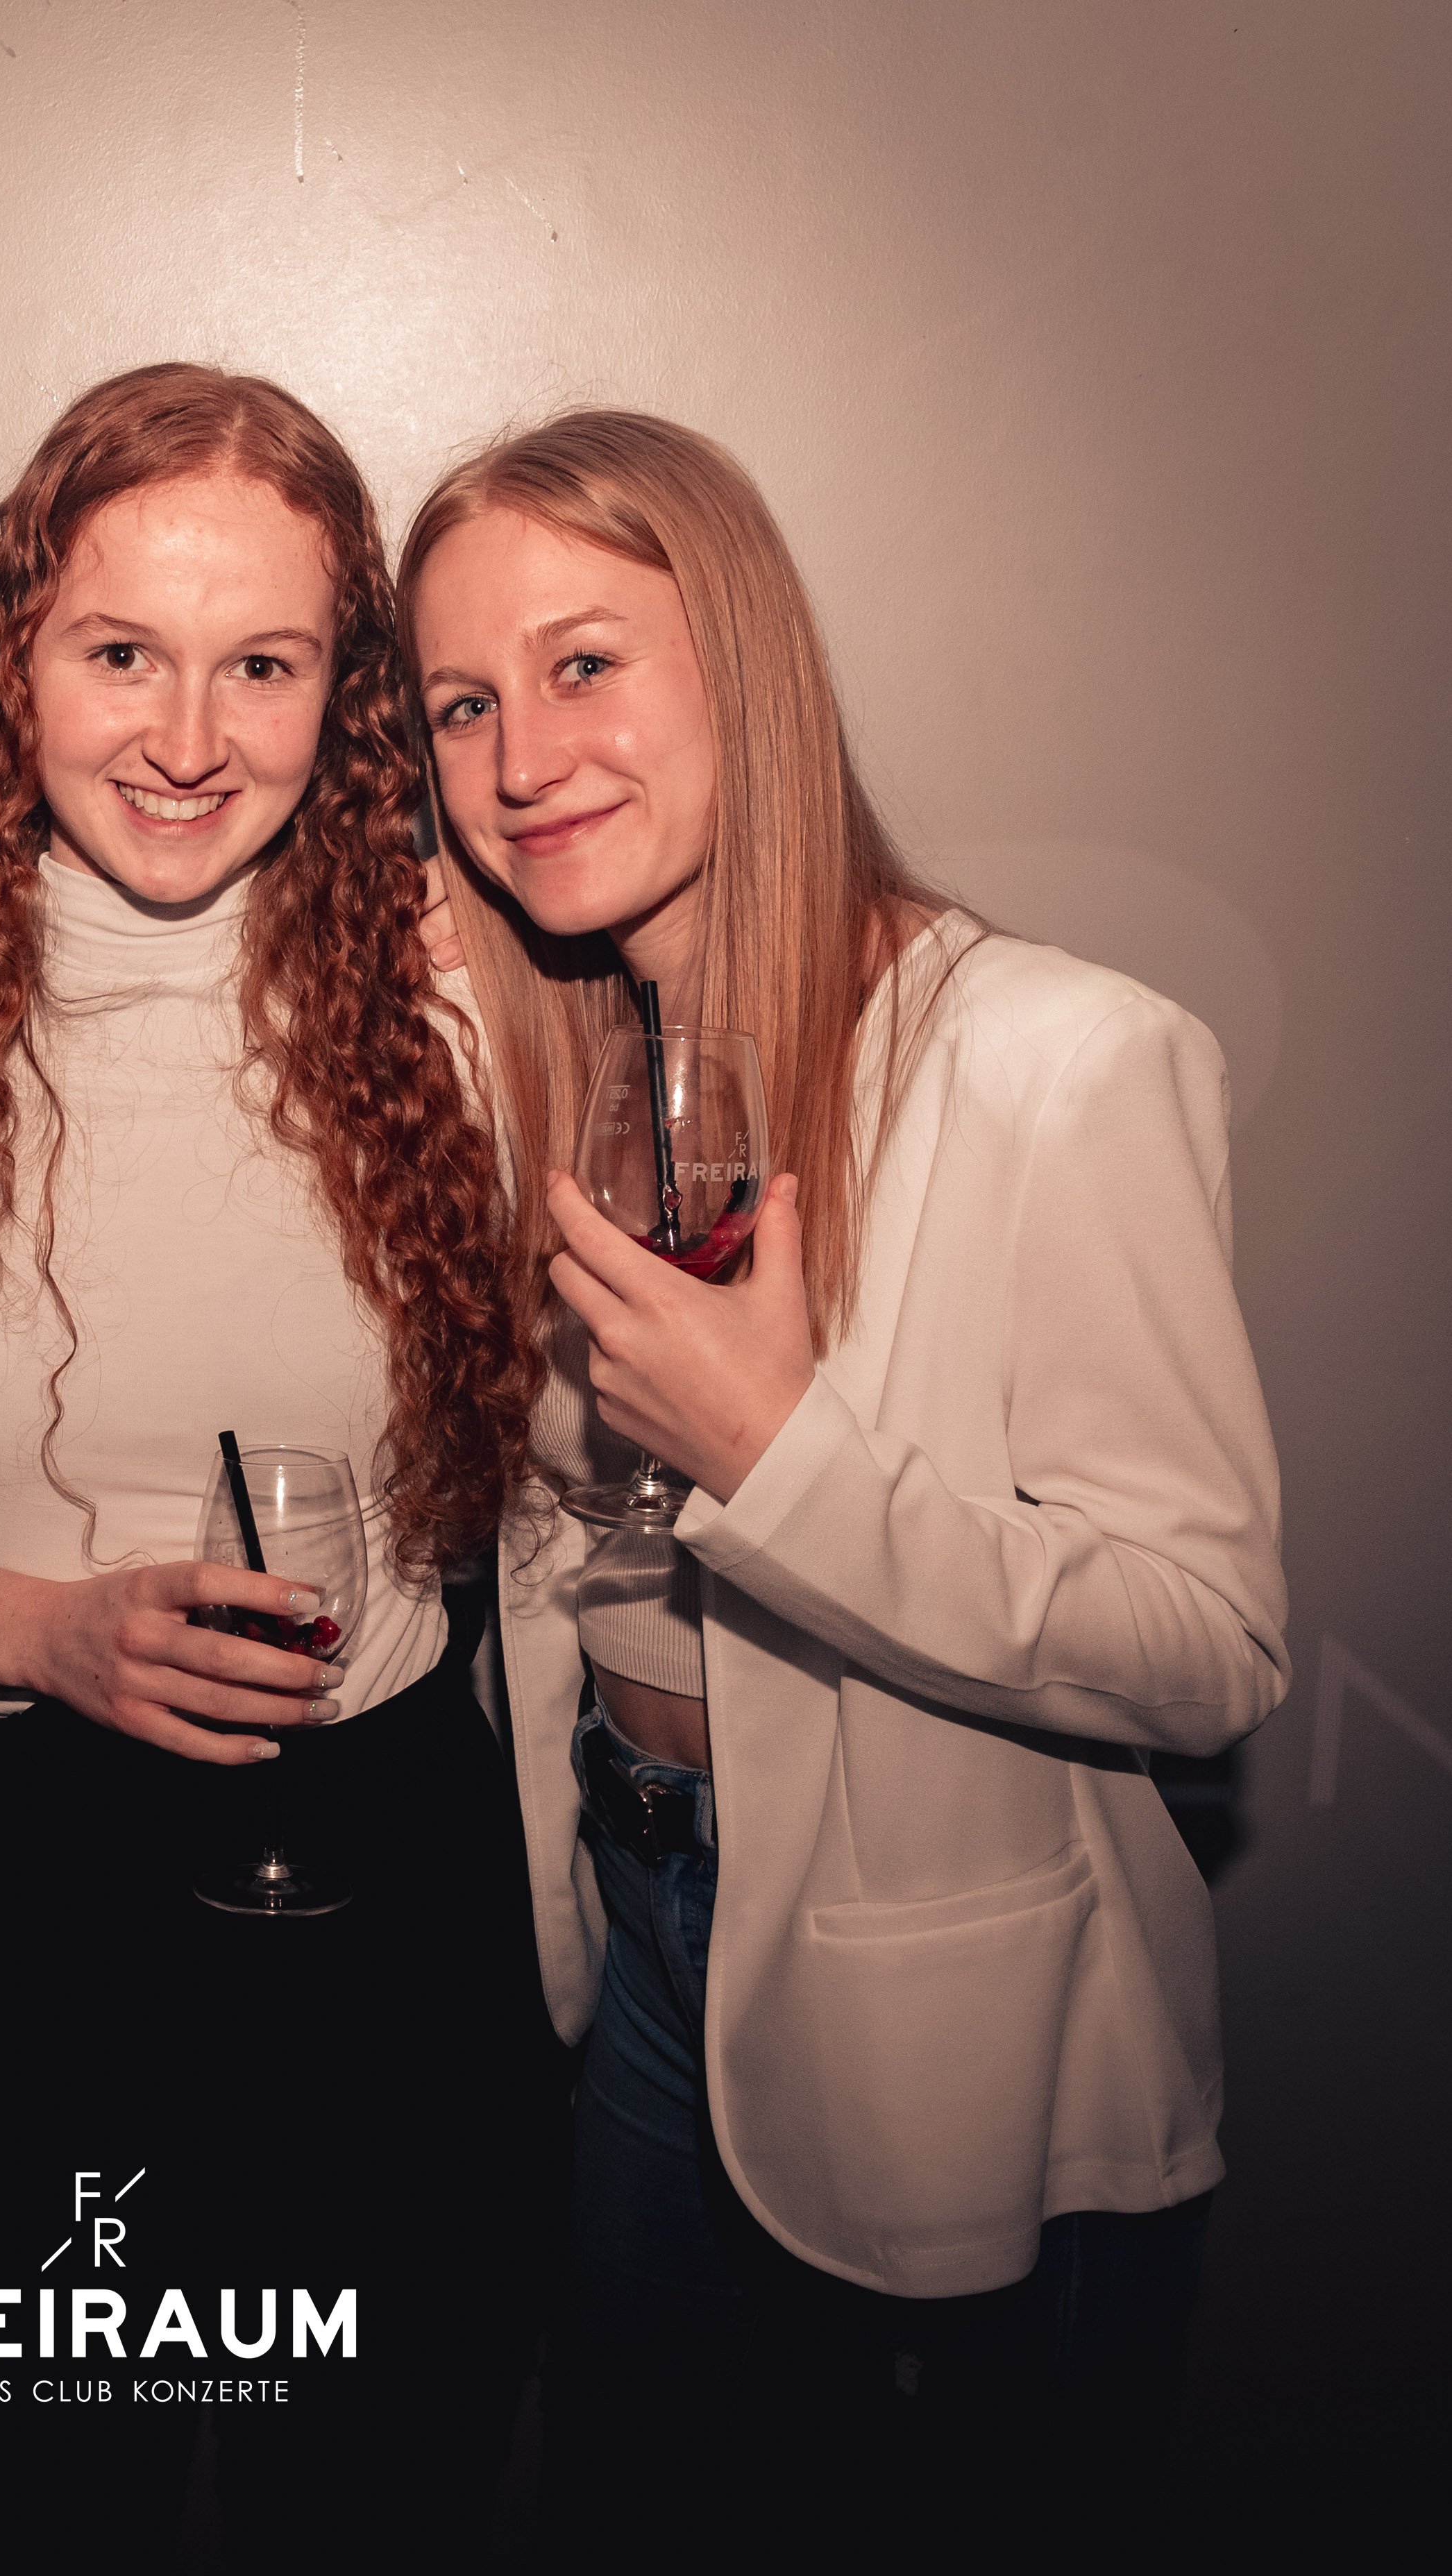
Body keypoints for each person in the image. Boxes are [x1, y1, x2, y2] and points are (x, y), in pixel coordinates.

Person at [0, 364, 557, 2570]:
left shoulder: (467, 1015)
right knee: (21, 2505)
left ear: (345, 697)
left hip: (403, 1891)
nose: (187, 737)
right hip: (36, 1915)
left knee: (382, 2504)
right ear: (15, 664)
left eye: (262, 665)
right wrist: (36, 1635)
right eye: (119, 655)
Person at [400, 409, 1288, 2536]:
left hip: (940, 2023)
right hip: (637, 1935)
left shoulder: (1054, 1059)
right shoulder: (583, 1068)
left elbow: (1208, 1650)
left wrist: (781, 1459)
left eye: (585, 663)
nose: (520, 757)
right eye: (462, 704)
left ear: (750, 665)